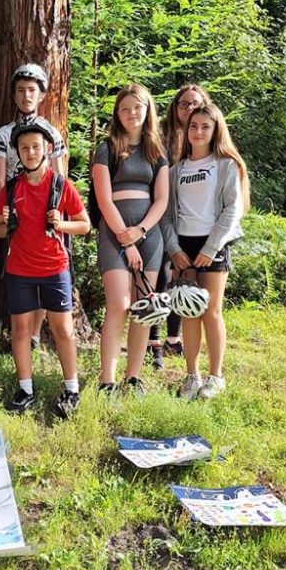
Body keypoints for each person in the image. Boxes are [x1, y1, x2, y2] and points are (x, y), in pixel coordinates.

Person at [0, 123, 89, 417]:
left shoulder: (60, 185)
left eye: (36, 146)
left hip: (54, 267)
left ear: (47, 149)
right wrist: (4, 222)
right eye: (24, 148)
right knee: (21, 330)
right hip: (19, 268)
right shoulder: (11, 189)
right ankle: (26, 390)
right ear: (17, 153)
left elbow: (84, 224)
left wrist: (62, 224)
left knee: (63, 328)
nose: (31, 152)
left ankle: (71, 390)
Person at [161, 101, 248, 400]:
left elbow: (232, 210)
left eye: (205, 126)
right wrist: (173, 249)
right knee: (189, 311)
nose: (198, 131)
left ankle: (216, 376)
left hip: (213, 245)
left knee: (211, 311)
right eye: (194, 126)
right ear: (187, 131)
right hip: (184, 247)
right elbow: (167, 214)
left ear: (215, 130)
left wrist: (212, 248)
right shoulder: (176, 170)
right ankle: (191, 376)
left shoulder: (225, 165)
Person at [92, 84, 169, 396]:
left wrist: (141, 233)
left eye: (137, 107)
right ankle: (107, 381)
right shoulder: (106, 148)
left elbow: (161, 200)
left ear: (147, 109)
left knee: (142, 307)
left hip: (149, 236)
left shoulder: (157, 151)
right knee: (119, 305)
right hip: (115, 233)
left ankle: (133, 378)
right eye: (125, 108)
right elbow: (104, 200)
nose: (132, 113)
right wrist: (126, 240)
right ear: (117, 114)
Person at [0, 63, 68, 348]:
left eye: (32, 91)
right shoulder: (3, 135)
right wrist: (10, 210)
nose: (26, 96)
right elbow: (1, 180)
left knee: (48, 269)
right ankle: (20, 331)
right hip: (16, 210)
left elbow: (59, 178)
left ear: (41, 95)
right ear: (13, 96)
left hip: (45, 212)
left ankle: (35, 333)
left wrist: (55, 212)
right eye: (21, 91)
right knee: (19, 271)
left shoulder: (52, 133)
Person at [148, 83, 211, 367]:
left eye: (195, 104)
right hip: (159, 214)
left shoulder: (206, 137)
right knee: (159, 276)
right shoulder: (161, 136)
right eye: (184, 104)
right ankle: (154, 340)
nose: (189, 109)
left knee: (180, 277)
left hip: (189, 222)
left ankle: (174, 338)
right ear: (175, 107)